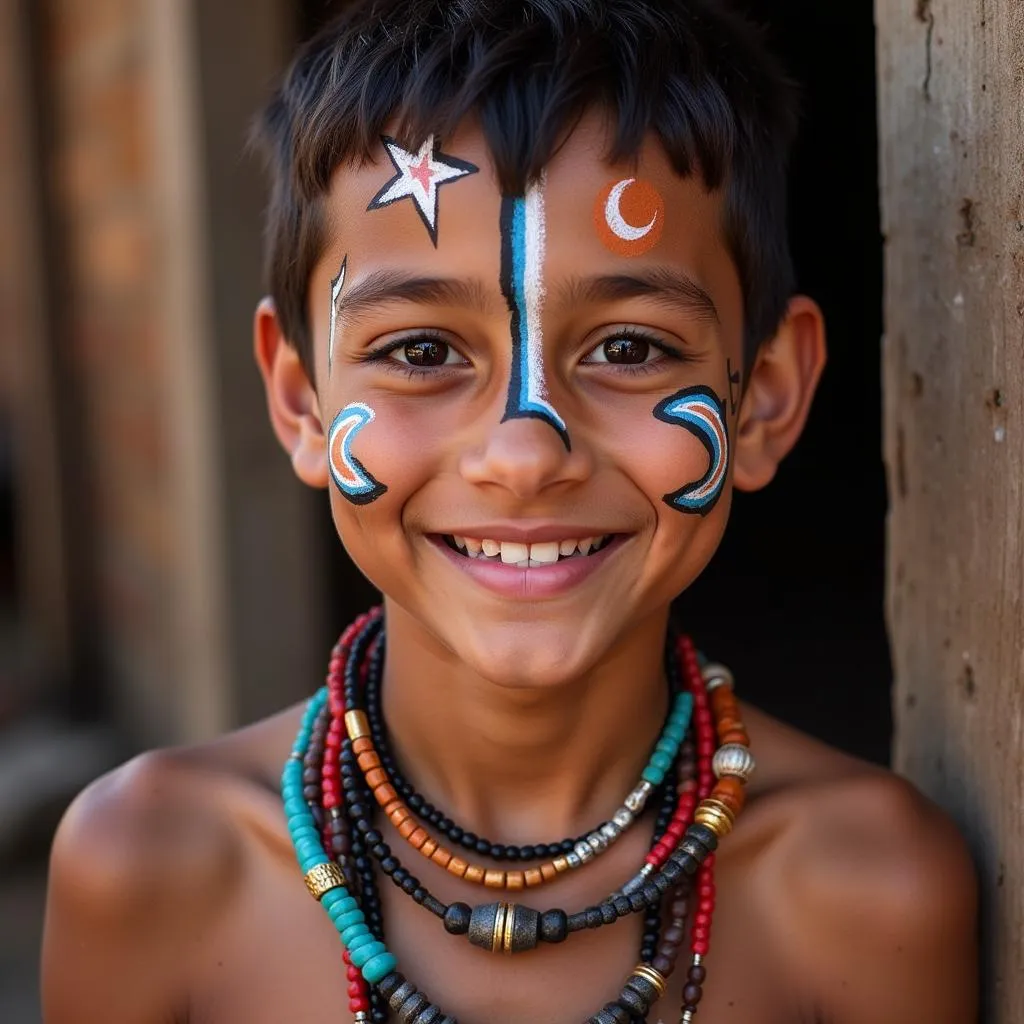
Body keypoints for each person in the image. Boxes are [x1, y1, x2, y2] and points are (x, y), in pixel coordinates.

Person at [41, 1, 978, 1021]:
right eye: (420, 352)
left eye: (629, 348)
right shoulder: (150, 866)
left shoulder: (871, 891)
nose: (524, 456)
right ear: (301, 397)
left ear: (763, 396)